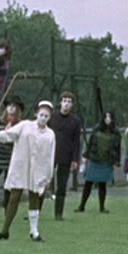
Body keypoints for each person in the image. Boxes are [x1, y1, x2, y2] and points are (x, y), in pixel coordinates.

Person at [0, 100, 56, 242]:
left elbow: (51, 157)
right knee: (14, 197)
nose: (43, 118)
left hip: (37, 170)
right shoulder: (25, 126)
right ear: (36, 113)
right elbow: (8, 135)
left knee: (34, 197)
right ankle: (4, 230)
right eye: (41, 114)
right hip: (20, 166)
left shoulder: (50, 135)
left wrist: (48, 177)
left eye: (46, 116)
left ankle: (34, 231)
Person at [76, 111, 121, 213]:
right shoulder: (97, 129)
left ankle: (102, 207)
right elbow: (90, 143)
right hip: (94, 159)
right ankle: (81, 206)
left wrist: (116, 162)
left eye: (110, 117)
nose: (107, 119)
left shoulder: (116, 132)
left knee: (102, 184)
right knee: (88, 182)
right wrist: (86, 156)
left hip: (106, 161)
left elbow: (117, 148)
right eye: (106, 117)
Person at [47, 91, 83, 220]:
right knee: (42, 183)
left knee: (61, 185)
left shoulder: (75, 121)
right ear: (60, 102)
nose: (66, 104)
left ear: (72, 105)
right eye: (64, 101)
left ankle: (58, 213)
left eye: (69, 102)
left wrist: (75, 159)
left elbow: (76, 142)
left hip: (66, 156)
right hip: (50, 154)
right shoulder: (52, 117)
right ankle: (35, 211)